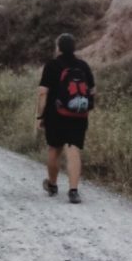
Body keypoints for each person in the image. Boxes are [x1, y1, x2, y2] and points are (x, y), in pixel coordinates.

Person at [36, 33, 95, 204]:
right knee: (74, 150)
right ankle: (74, 191)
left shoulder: (52, 65)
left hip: (55, 115)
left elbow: (42, 93)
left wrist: (40, 115)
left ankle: (53, 185)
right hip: (79, 115)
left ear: (59, 48)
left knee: (54, 149)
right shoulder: (83, 65)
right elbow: (92, 91)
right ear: (74, 47)